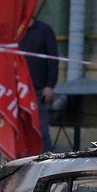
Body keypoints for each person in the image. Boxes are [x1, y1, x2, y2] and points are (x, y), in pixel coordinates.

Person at [19, 16, 60, 151]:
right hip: (16, 89)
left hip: (38, 89)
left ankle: (46, 162)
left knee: (41, 128)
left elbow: (53, 59)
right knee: (19, 129)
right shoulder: (14, 30)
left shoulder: (44, 30)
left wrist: (50, 86)